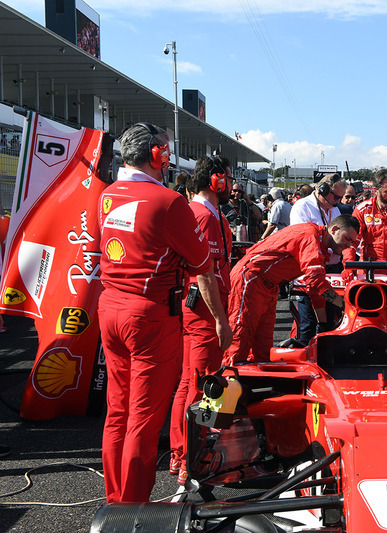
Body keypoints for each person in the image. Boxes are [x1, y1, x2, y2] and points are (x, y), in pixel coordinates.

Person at [97, 122, 213, 503]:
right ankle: (131, 507)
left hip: (111, 306)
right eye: (166, 150)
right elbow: (202, 261)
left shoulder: (108, 194)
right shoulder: (168, 202)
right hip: (150, 315)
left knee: (117, 411)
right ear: (157, 154)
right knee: (143, 419)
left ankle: (116, 498)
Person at [168, 156, 234, 485]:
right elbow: (205, 274)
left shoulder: (206, 212)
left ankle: (183, 452)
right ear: (216, 181)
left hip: (200, 308)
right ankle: (190, 456)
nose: (232, 185)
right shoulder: (203, 216)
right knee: (204, 383)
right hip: (205, 310)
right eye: (229, 179)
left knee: (189, 382)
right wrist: (222, 320)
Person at [224, 215, 359, 364]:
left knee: (263, 347)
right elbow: (315, 281)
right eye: (347, 239)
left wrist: (323, 324)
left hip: (267, 284)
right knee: (240, 337)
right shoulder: (310, 236)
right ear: (334, 229)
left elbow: (314, 288)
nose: (348, 246)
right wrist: (343, 305)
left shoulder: (318, 243)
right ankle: (226, 380)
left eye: (352, 242)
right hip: (250, 279)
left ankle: (250, 382)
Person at [289, 174, 346, 344]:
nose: (338, 201)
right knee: (309, 322)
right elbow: (305, 244)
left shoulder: (334, 208)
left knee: (329, 322)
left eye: (341, 197)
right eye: (336, 196)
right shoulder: (302, 207)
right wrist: (333, 247)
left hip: (330, 270)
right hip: (309, 271)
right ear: (322, 190)